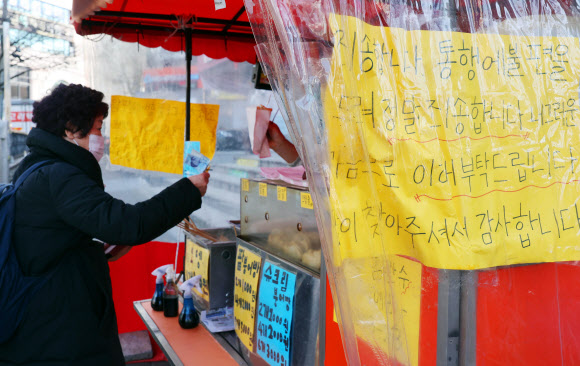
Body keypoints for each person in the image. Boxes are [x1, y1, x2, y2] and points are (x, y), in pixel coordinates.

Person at [0, 84, 210, 366]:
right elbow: (129, 223)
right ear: (72, 129)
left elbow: (48, 244)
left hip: (47, 322)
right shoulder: (60, 176)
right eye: (98, 128)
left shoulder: (36, 167)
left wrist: (100, 251)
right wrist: (189, 190)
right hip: (56, 336)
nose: (102, 137)